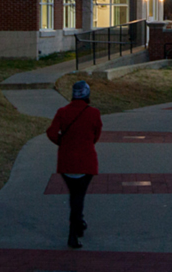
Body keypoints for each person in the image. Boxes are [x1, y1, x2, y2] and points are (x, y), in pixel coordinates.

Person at [46, 80, 102, 249]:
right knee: (79, 196)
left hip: (66, 161)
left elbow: (51, 132)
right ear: (87, 95)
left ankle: (78, 222)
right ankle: (75, 228)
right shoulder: (94, 113)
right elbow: (96, 135)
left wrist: (62, 142)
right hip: (86, 161)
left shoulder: (62, 112)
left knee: (74, 195)